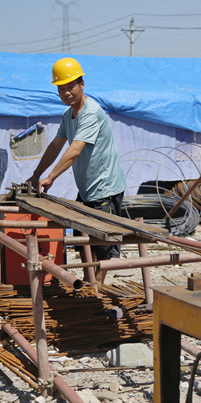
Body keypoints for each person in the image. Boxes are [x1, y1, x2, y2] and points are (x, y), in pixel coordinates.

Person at [27, 57, 127, 284]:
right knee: (83, 239)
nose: (66, 93)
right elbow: (56, 146)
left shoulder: (91, 113)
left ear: (82, 84)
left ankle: (95, 290)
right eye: (61, 89)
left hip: (105, 189)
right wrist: (36, 174)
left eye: (70, 87)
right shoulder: (68, 115)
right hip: (88, 188)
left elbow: (74, 150)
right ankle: (88, 282)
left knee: (104, 245)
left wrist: (51, 177)